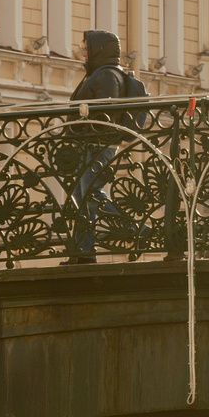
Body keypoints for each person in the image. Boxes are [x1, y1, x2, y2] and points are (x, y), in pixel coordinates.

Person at [65, 30, 145, 262]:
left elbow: (106, 115)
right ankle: (84, 250)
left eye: (86, 49)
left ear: (99, 50)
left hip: (97, 145)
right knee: (83, 198)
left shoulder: (107, 75)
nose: (83, 53)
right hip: (89, 143)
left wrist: (83, 130)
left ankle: (141, 231)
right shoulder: (98, 73)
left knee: (92, 196)